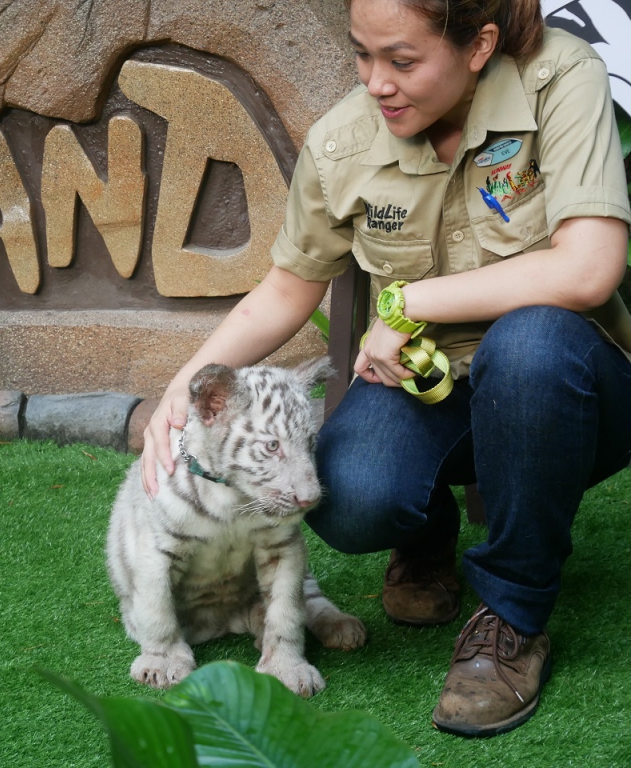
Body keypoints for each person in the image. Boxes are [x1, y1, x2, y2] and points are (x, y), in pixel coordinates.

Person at [141, 0, 631, 738]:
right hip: (434, 389)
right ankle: (425, 533)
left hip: (572, 393)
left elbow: (589, 269)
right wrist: (183, 386)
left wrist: (406, 303)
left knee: (530, 346)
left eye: (401, 61)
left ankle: (513, 615)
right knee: (348, 495)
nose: (376, 82)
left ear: (479, 46)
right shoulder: (344, 142)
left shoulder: (562, 77)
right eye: (362, 55)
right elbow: (285, 288)